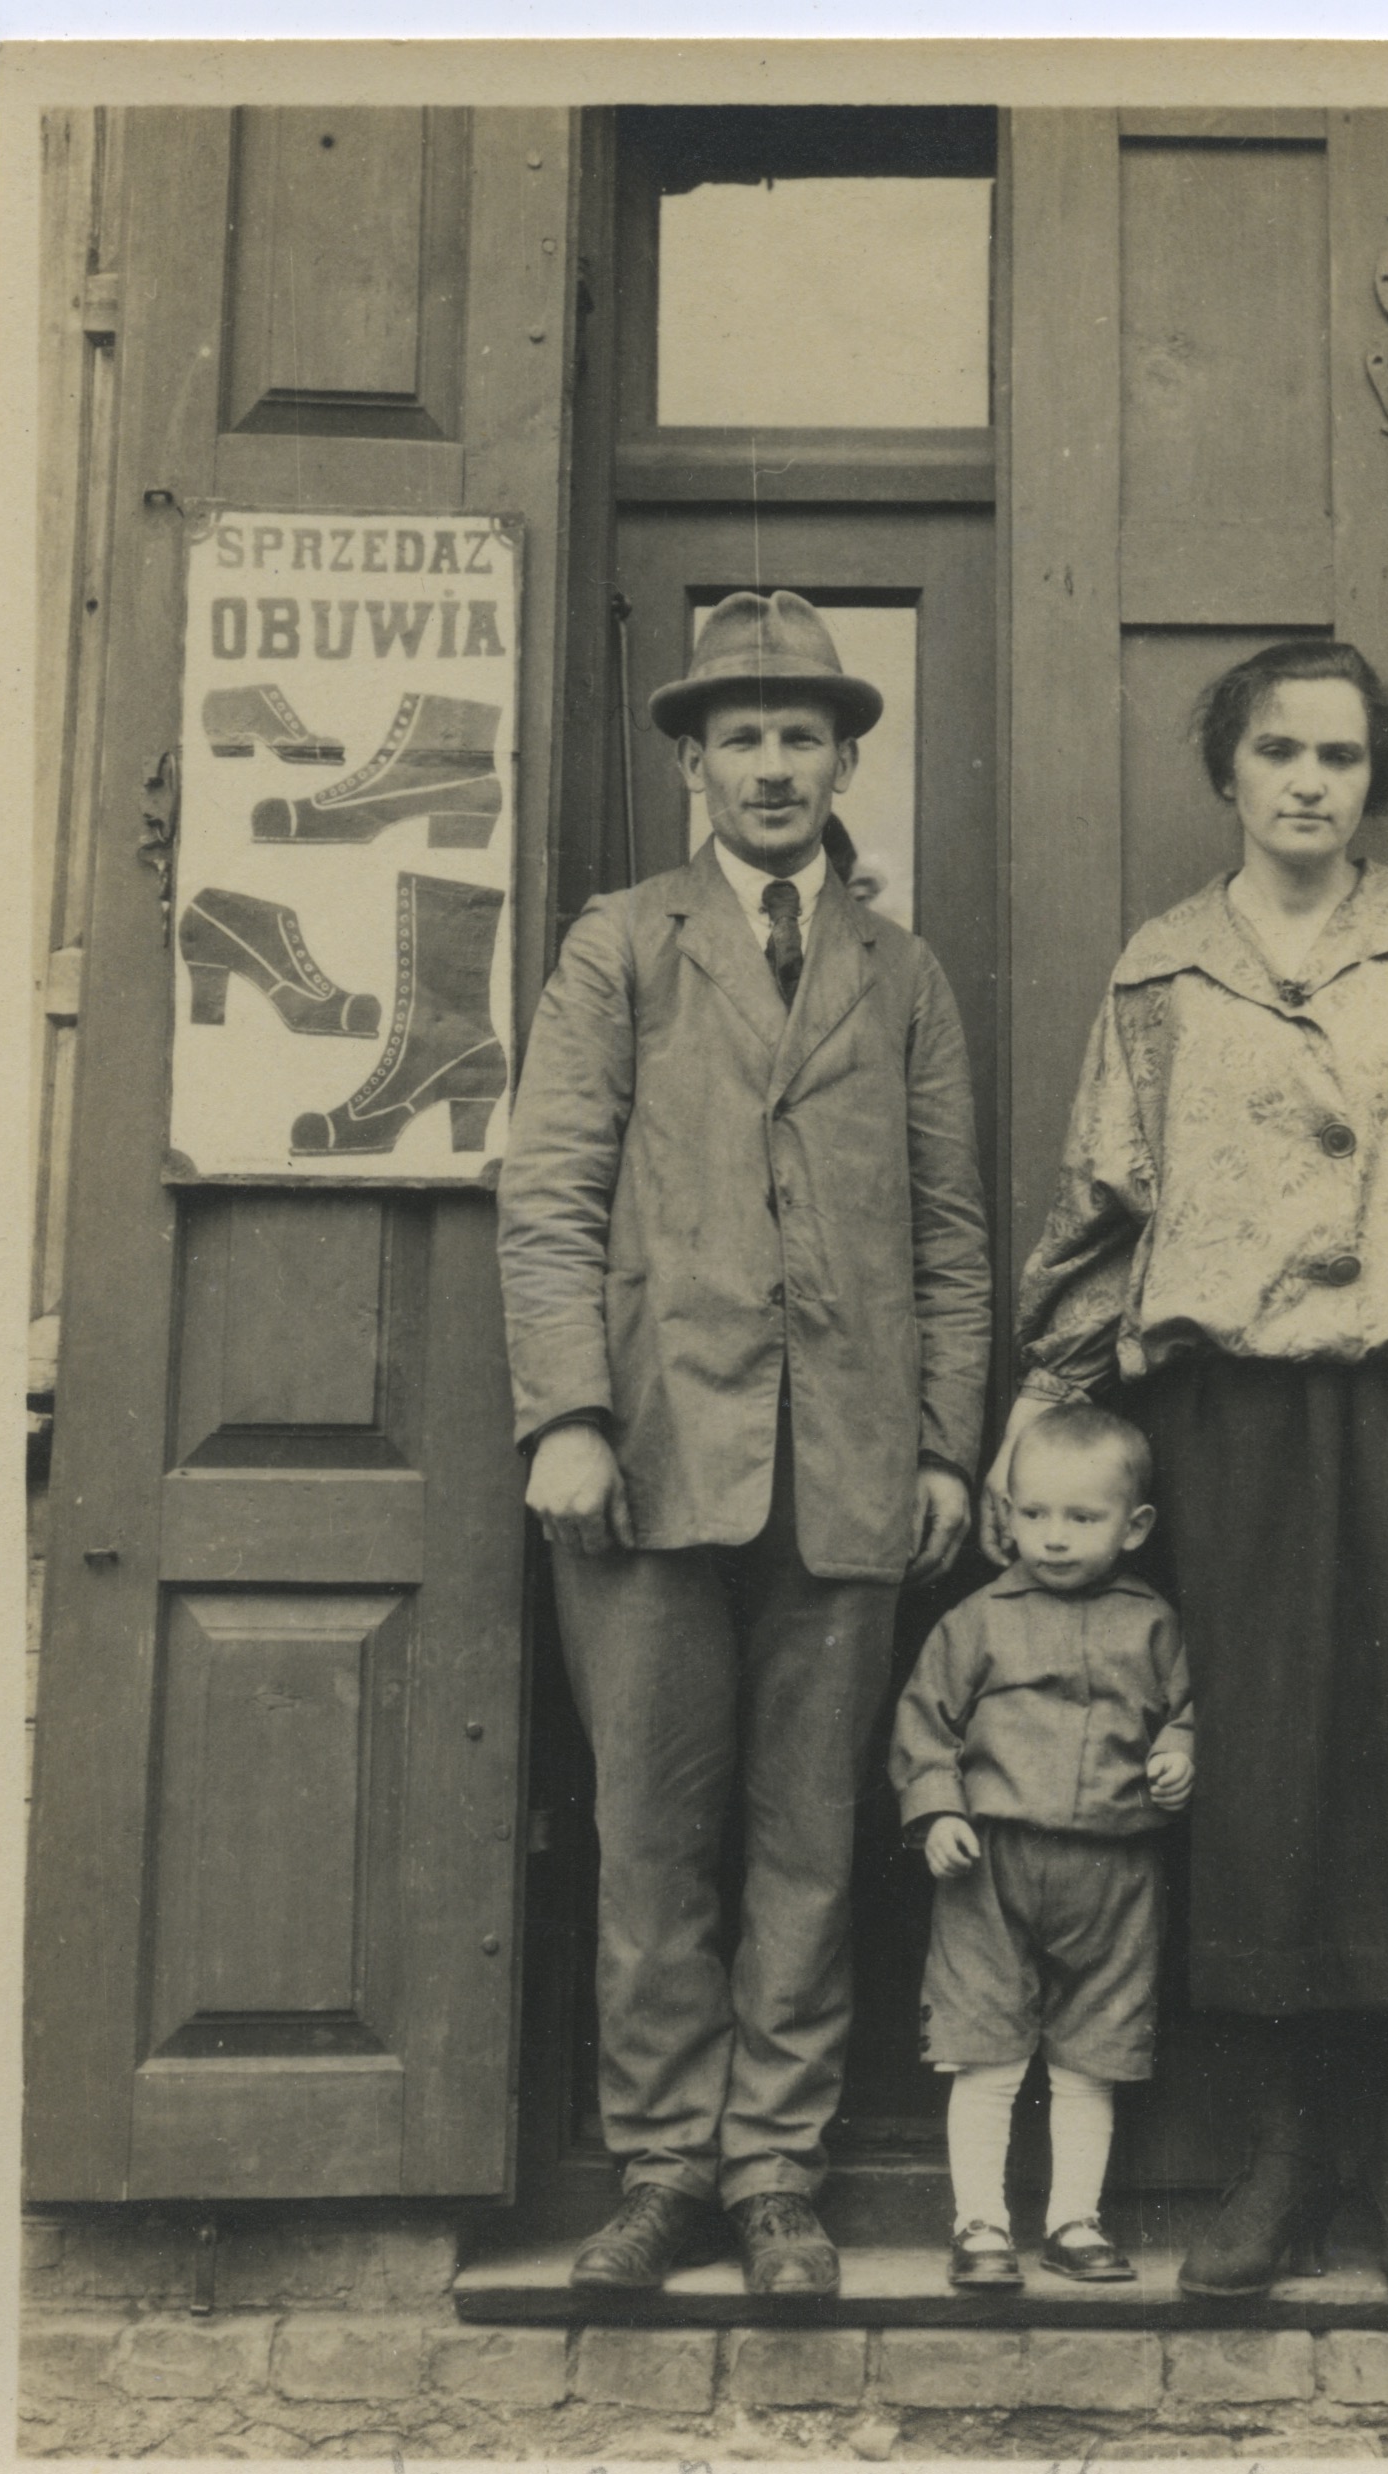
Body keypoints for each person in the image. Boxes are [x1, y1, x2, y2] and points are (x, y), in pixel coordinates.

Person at [984, 638, 1388, 2301]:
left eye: (1339, 755)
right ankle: (1280, 2150)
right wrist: (1046, 1392)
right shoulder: (1165, 968)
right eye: (1277, 751)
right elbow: (1102, 1200)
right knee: (1257, 1776)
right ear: (1227, 772)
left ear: (1369, 778)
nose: (1308, 782)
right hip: (1235, 1419)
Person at [497, 591, 991, 2296]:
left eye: (801, 736)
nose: (771, 766)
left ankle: (776, 2171)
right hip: (647, 1459)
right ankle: (664, 2169)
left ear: (845, 762)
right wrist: (567, 1413)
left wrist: (944, 1448)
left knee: (808, 1842)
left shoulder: (899, 972)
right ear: (691, 767)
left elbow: (949, 1234)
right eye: (740, 737)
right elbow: (549, 1196)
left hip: (848, 1470)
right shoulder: (619, 946)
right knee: (649, 1838)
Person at [891, 1405, 1195, 2290]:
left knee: (1091, 2056)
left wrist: (1181, 1750)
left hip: (1115, 1869)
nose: (1053, 1537)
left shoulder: (1154, 1624)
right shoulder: (977, 1620)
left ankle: (1073, 2220)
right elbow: (924, 1724)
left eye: (1081, 1517)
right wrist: (938, 1812)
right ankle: (979, 2224)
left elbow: (1187, 1709)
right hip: (990, 1867)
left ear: (1133, 1526)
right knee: (984, 2050)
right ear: (1008, 1513)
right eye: (1032, 1514)